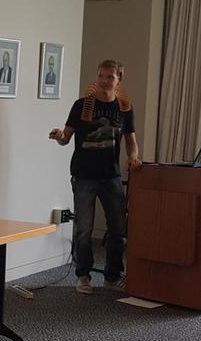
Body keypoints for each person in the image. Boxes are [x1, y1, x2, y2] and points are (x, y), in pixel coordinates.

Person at [48, 59, 141, 295]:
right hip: (83, 176)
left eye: (110, 77)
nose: (103, 81)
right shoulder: (82, 106)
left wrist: (133, 157)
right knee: (84, 228)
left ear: (119, 80)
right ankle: (83, 276)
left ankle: (112, 277)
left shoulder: (124, 109)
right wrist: (58, 135)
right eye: (100, 76)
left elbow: (131, 141)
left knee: (118, 229)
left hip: (111, 176)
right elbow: (66, 138)